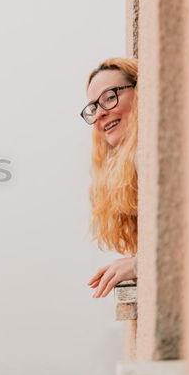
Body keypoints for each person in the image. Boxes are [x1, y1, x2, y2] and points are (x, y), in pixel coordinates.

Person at [80, 58, 139, 298]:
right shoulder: (133, 164)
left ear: (140, 92)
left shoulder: (146, 156)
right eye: (94, 107)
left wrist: (138, 265)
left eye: (110, 97)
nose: (101, 113)